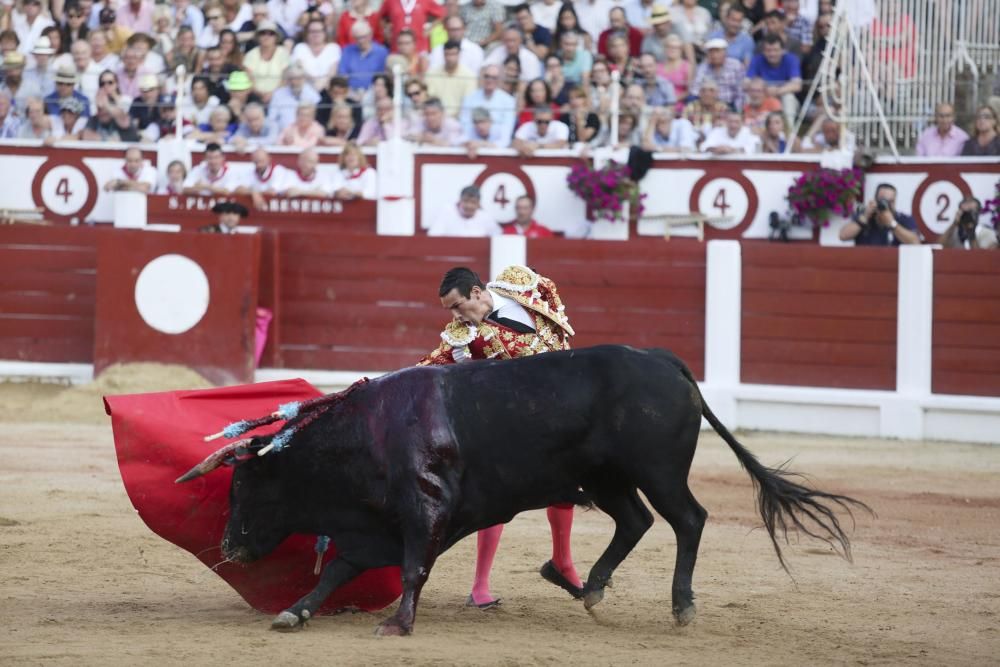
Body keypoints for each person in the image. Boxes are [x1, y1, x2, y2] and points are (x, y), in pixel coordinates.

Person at [417, 265, 581, 609]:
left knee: (566, 484)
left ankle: (562, 562)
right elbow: (427, 369)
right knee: (494, 495)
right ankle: (479, 587)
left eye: (457, 306)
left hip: (553, 409)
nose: (455, 316)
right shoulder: (464, 337)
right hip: (509, 423)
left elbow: (550, 336)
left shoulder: (522, 289)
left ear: (477, 293)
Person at [838, 183, 920, 246]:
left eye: (890, 201)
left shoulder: (903, 218)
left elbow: (915, 242)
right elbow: (843, 236)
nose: (886, 205)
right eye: (883, 201)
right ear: (875, 199)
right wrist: (865, 216)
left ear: (895, 202)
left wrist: (892, 224)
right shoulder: (864, 216)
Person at [746, 34, 802, 125]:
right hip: (763, 95)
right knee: (748, 96)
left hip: (782, 95)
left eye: (776, 50)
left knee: (789, 98)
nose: (772, 54)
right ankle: (749, 127)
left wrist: (778, 91)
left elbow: (797, 85)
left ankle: (789, 130)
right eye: (768, 50)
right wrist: (764, 89)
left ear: (783, 50)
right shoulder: (757, 59)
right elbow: (747, 82)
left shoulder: (791, 59)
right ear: (763, 51)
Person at [459, 64, 516, 144]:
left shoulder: (509, 101)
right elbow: (465, 126)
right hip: (472, 145)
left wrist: (486, 145)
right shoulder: (469, 98)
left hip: (497, 147)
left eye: (494, 77)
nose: (490, 80)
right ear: (482, 78)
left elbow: (507, 131)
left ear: (500, 80)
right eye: (487, 76)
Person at [425, 39, 476, 118]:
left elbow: (467, 104)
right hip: (435, 119)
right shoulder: (432, 74)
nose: (450, 58)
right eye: (447, 54)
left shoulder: (469, 76)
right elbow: (429, 99)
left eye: (453, 54)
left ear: (459, 54)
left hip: (460, 120)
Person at [692, 37, 745, 111]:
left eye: (717, 51)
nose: (714, 55)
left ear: (725, 52)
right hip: (709, 105)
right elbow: (695, 90)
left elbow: (741, 92)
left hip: (730, 104)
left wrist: (737, 111)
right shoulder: (703, 67)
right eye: (711, 52)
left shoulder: (736, 65)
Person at [427, 185, 501, 237]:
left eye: (473, 202)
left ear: (478, 204)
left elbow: (498, 238)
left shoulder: (485, 217)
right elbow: (433, 237)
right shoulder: (447, 213)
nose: (469, 205)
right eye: (466, 201)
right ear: (460, 201)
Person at [336, 20, 387, 95]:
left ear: (370, 34)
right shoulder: (347, 51)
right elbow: (342, 75)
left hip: (374, 93)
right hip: (351, 93)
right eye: (357, 38)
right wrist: (350, 93)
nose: (361, 41)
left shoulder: (382, 52)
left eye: (364, 37)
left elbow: (383, 77)